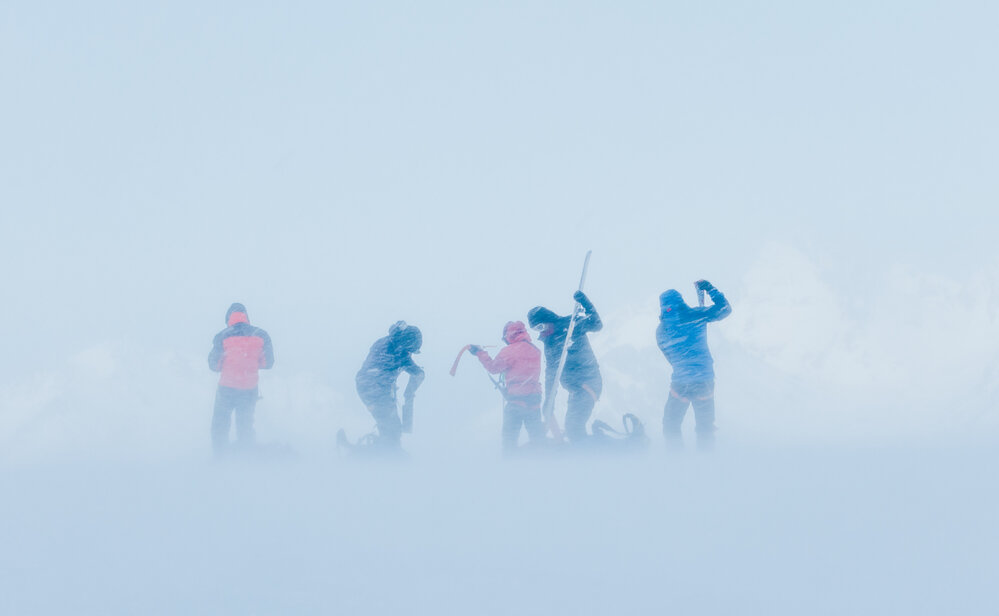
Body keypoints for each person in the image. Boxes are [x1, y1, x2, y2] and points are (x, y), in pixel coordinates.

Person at [656, 280, 732, 450]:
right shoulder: (696, 315)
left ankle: (676, 462)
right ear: (681, 301)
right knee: (705, 427)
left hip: (680, 382)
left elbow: (669, 356)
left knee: (671, 424)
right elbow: (725, 309)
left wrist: (683, 367)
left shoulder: (661, 330)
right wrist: (710, 289)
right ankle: (705, 463)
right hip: (703, 379)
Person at [527, 290, 603, 443]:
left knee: (574, 428)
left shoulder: (571, 325)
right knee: (572, 429)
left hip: (588, 383)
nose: (541, 331)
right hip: (576, 390)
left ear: (548, 319)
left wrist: (585, 302)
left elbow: (597, 325)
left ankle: (598, 455)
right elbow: (551, 374)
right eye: (536, 329)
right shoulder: (549, 343)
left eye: (541, 326)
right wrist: (549, 402)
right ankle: (588, 453)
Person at [207, 302, 274, 456]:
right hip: (249, 390)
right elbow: (268, 363)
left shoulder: (222, 336)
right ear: (247, 317)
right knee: (245, 426)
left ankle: (220, 458)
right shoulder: (261, 335)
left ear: (228, 318)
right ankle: (246, 459)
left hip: (227, 390)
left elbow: (214, 365)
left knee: (220, 425)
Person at [469, 321, 545, 454]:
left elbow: (493, 368)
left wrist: (480, 353)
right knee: (537, 438)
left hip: (516, 401)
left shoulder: (509, 351)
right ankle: (540, 464)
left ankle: (510, 465)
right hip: (534, 400)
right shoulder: (535, 349)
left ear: (508, 335)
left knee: (510, 439)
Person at [354, 321, 425, 451]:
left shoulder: (389, 343)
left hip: (369, 387)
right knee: (391, 425)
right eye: (410, 350)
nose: (411, 354)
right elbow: (406, 364)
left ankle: (386, 450)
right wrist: (418, 373)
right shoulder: (395, 351)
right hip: (373, 389)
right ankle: (387, 454)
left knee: (390, 425)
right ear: (406, 344)